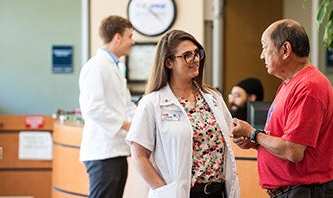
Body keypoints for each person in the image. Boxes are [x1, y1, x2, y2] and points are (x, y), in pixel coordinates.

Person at [126, 29, 240, 198]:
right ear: (169, 63)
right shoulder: (152, 103)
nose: (195, 60)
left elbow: (231, 133)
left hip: (218, 192)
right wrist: (163, 190)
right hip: (182, 194)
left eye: (196, 53)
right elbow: (139, 156)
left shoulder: (212, 97)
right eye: (187, 55)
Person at [231, 19, 333, 198]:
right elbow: (282, 138)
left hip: (305, 192)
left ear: (285, 50)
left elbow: (293, 151)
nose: (261, 55)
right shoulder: (290, 83)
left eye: (265, 47)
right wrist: (254, 141)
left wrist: (253, 134)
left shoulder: (309, 86)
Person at [78, 15, 136, 197]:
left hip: (116, 151)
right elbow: (92, 108)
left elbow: (127, 104)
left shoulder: (115, 68)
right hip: (102, 152)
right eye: (130, 36)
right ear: (117, 37)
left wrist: (139, 123)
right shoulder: (96, 66)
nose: (132, 42)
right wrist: (126, 125)